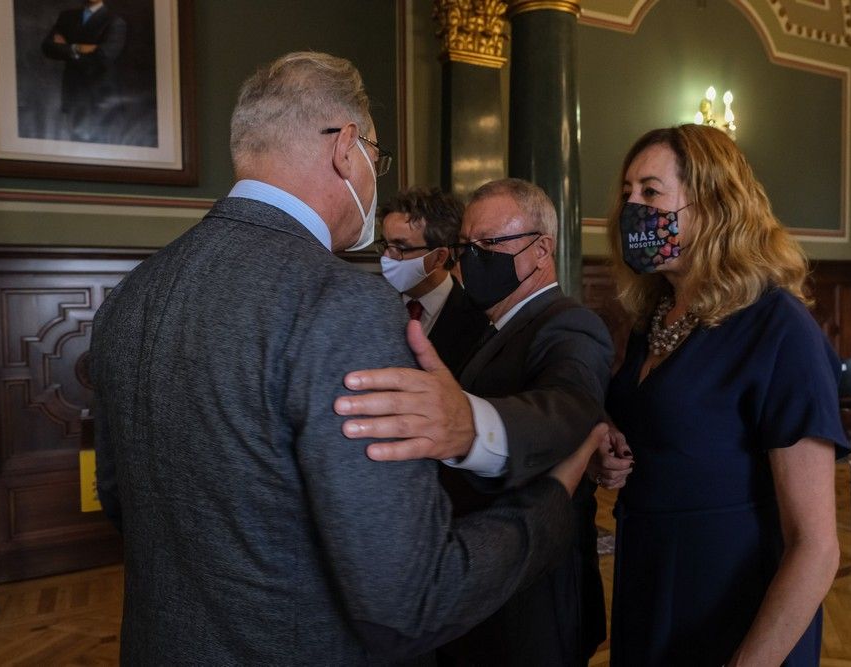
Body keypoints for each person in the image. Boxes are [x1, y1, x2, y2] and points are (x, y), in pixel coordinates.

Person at [89, 51, 599, 665]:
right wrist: (552, 502)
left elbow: (123, 501)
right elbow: (410, 601)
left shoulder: (129, 295)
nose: (371, 174)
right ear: (346, 148)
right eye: (375, 158)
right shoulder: (342, 306)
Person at [592, 124, 848, 666]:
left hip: (736, 609)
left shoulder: (779, 328)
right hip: (651, 583)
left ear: (711, 204)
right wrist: (608, 445)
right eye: (626, 193)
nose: (630, 207)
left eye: (650, 191)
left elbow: (816, 547)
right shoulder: (653, 318)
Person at [337, 178, 614, 665]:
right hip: (483, 571)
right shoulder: (494, 325)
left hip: (535, 587)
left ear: (540, 250)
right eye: (468, 245)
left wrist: (470, 425)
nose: (474, 257)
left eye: (491, 243)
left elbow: (569, 407)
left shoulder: (568, 322)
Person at [377, 187, 489, 372]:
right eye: (385, 245)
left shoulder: (478, 320)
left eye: (401, 247)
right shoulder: (371, 303)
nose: (387, 257)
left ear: (439, 257)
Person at [41, 0, 126, 143]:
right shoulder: (67, 17)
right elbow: (48, 47)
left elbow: (104, 56)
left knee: (101, 149)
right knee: (76, 147)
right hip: (73, 92)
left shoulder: (115, 21)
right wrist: (79, 48)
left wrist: (67, 48)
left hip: (101, 97)